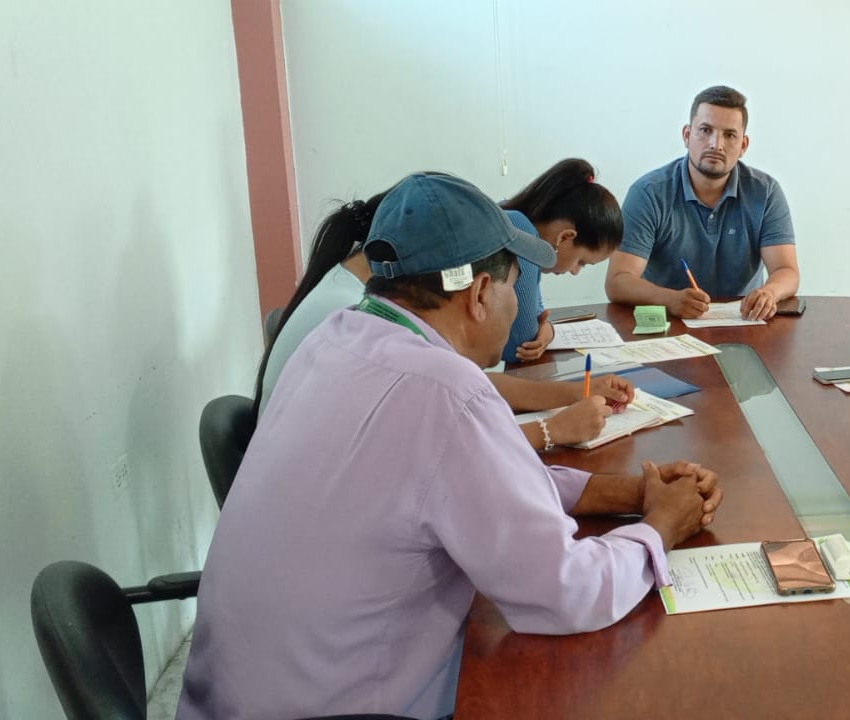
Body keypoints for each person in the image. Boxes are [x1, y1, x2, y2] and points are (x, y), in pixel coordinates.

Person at [179, 173, 723, 720]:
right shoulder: (447, 391)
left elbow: (475, 478)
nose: (518, 305)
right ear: (481, 294)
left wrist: (628, 492)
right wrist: (661, 526)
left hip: (230, 700)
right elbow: (568, 592)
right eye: (515, 286)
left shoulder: (336, 336)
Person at [254, 172, 633, 450]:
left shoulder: (369, 307)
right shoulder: (357, 320)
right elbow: (447, 448)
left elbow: (469, 386)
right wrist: (552, 431)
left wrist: (574, 393)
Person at [604, 85, 799, 320]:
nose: (716, 144)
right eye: (705, 130)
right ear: (687, 135)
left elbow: (786, 271)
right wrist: (669, 299)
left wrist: (769, 293)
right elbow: (618, 281)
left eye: (730, 135)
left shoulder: (765, 192)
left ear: (743, 145)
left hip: (743, 321)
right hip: (669, 323)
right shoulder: (648, 193)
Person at [498, 158, 625, 364]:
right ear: (565, 237)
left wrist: (547, 330)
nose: (575, 271)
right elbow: (520, 345)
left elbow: (538, 315)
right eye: (581, 262)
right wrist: (543, 330)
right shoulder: (520, 231)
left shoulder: (514, 221)